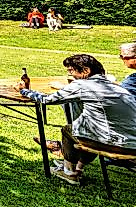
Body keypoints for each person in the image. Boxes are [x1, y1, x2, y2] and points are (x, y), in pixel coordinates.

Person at [18, 54, 136, 184]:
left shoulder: (81, 85)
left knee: (70, 130)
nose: (71, 76)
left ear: (86, 71)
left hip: (111, 144)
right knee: (89, 131)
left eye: (71, 71)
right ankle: (78, 168)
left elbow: (47, 99)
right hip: (132, 145)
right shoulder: (118, 88)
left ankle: (69, 171)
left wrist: (24, 91)